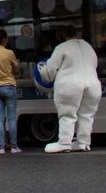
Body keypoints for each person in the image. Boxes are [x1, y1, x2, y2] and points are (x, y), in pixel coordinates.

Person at [37, 25, 102, 153]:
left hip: (70, 83)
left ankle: (64, 142)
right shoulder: (88, 47)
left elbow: (50, 71)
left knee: (67, 114)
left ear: (62, 35)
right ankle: (83, 142)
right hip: (93, 83)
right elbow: (95, 64)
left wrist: (42, 72)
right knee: (87, 114)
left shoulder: (61, 48)